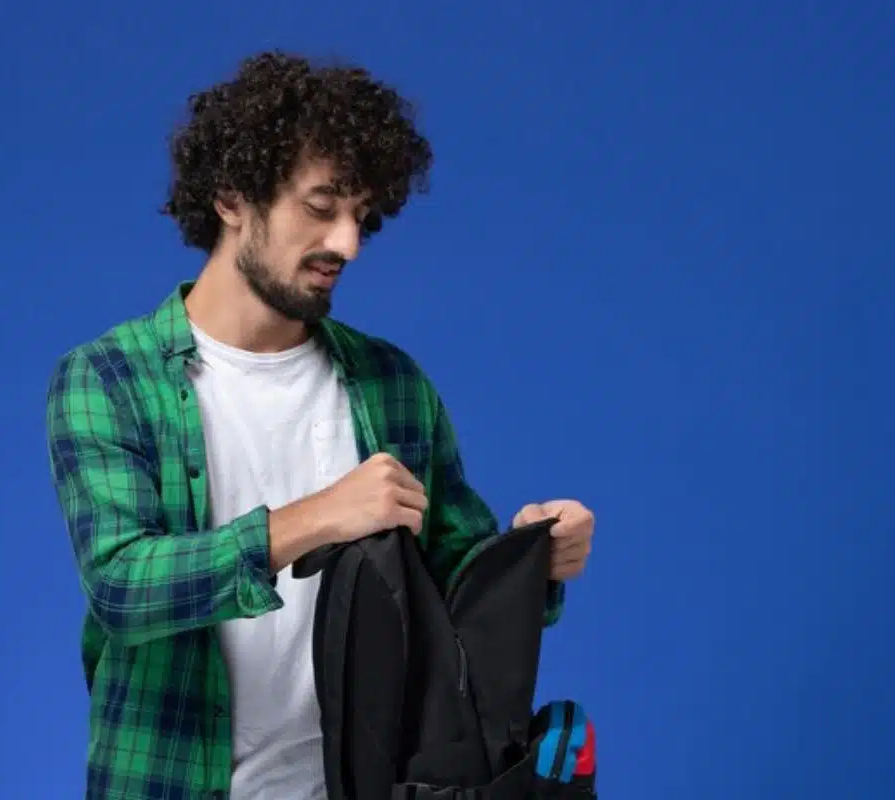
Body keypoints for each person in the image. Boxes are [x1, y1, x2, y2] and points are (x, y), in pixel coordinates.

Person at [45, 50, 595, 800]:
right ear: (233, 197)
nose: (347, 243)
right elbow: (122, 586)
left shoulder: (391, 384)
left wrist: (534, 559)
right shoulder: (110, 378)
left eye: (361, 215)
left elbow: (453, 589)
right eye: (321, 205)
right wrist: (318, 518)